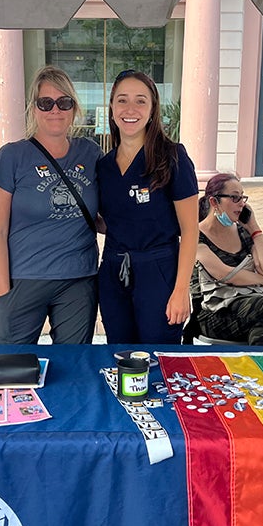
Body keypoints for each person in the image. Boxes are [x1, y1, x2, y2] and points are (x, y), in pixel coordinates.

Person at [0, 65, 102, 344]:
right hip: (24, 278)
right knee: (9, 363)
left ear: (74, 108)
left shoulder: (91, 153)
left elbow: (103, 215)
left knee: (72, 366)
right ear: (34, 108)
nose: (55, 110)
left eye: (64, 102)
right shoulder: (11, 157)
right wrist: (4, 293)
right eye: (45, 102)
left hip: (78, 280)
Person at [97, 69, 199, 344]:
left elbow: (190, 231)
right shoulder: (103, 166)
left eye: (141, 101)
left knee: (157, 359)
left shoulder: (173, 157)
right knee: (120, 356)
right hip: (113, 272)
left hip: (159, 273)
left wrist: (180, 291)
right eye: (122, 100)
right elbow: (110, 220)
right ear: (111, 106)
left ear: (153, 109)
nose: (130, 109)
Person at [184, 173, 263, 345]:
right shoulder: (196, 235)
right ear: (214, 202)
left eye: (242, 197)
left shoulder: (242, 233)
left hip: (250, 309)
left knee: (262, 330)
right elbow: (225, 275)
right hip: (211, 314)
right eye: (234, 197)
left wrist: (254, 228)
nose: (242, 203)